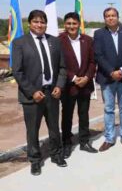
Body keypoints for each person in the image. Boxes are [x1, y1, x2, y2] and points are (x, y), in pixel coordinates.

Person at [12, 10, 67, 175]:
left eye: (42, 22)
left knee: (54, 128)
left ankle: (56, 154)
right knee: (32, 130)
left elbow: (63, 68)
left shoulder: (55, 42)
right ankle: (35, 160)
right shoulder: (20, 43)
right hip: (32, 96)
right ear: (29, 23)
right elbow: (17, 71)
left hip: (52, 93)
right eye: (36, 21)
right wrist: (32, 91)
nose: (39, 25)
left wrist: (59, 85)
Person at [94, 7, 122, 151]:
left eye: (113, 15)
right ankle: (109, 138)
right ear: (104, 19)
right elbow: (98, 55)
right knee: (109, 109)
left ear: (118, 17)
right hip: (107, 78)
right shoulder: (99, 34)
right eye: (107, 16)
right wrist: (111, 72)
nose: (110, 18)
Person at [59, 12, 98, 158]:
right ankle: (67, 143)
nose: (71, 26)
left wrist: (87, 77)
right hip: (69, 86)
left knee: (84, 114)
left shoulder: (88, 40)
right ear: (65, 25)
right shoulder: (59, 41)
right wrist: (74, 78)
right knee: (67, 115)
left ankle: (84, 141)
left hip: (85, 85)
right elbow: (58, 64)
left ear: (79, 25)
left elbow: (93, 62)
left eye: (74, 23)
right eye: (68, 23)